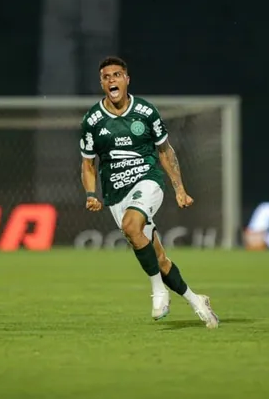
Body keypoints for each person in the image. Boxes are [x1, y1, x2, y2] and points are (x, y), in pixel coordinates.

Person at [78, 56, 219, 329]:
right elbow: (87, 164)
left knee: (132, 226)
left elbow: (165, 151)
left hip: (147, 180)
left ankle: (158, 291)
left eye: (117, 75)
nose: (112, 80)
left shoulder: (146, 112)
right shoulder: (92, 120)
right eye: (106, 77)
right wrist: (90, 194)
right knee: (160, 259)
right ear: (102, 83)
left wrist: (179, 189)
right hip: (116, 193)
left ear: (127, 79)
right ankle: (196, 300)